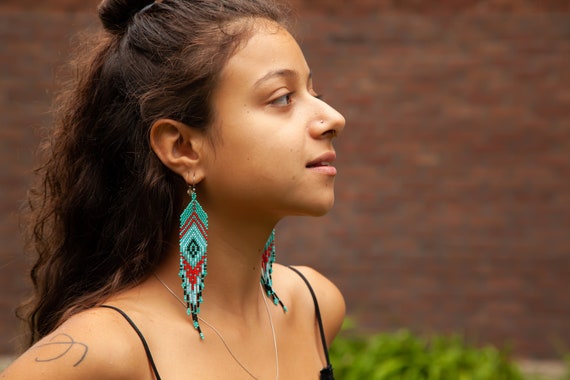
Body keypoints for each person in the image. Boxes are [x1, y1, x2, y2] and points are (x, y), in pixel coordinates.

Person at [0, 0, 346, 378]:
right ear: (183, 147)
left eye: (315, 93)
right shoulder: (104, 352)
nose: (333, 119)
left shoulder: (315, 306)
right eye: (282, 98)